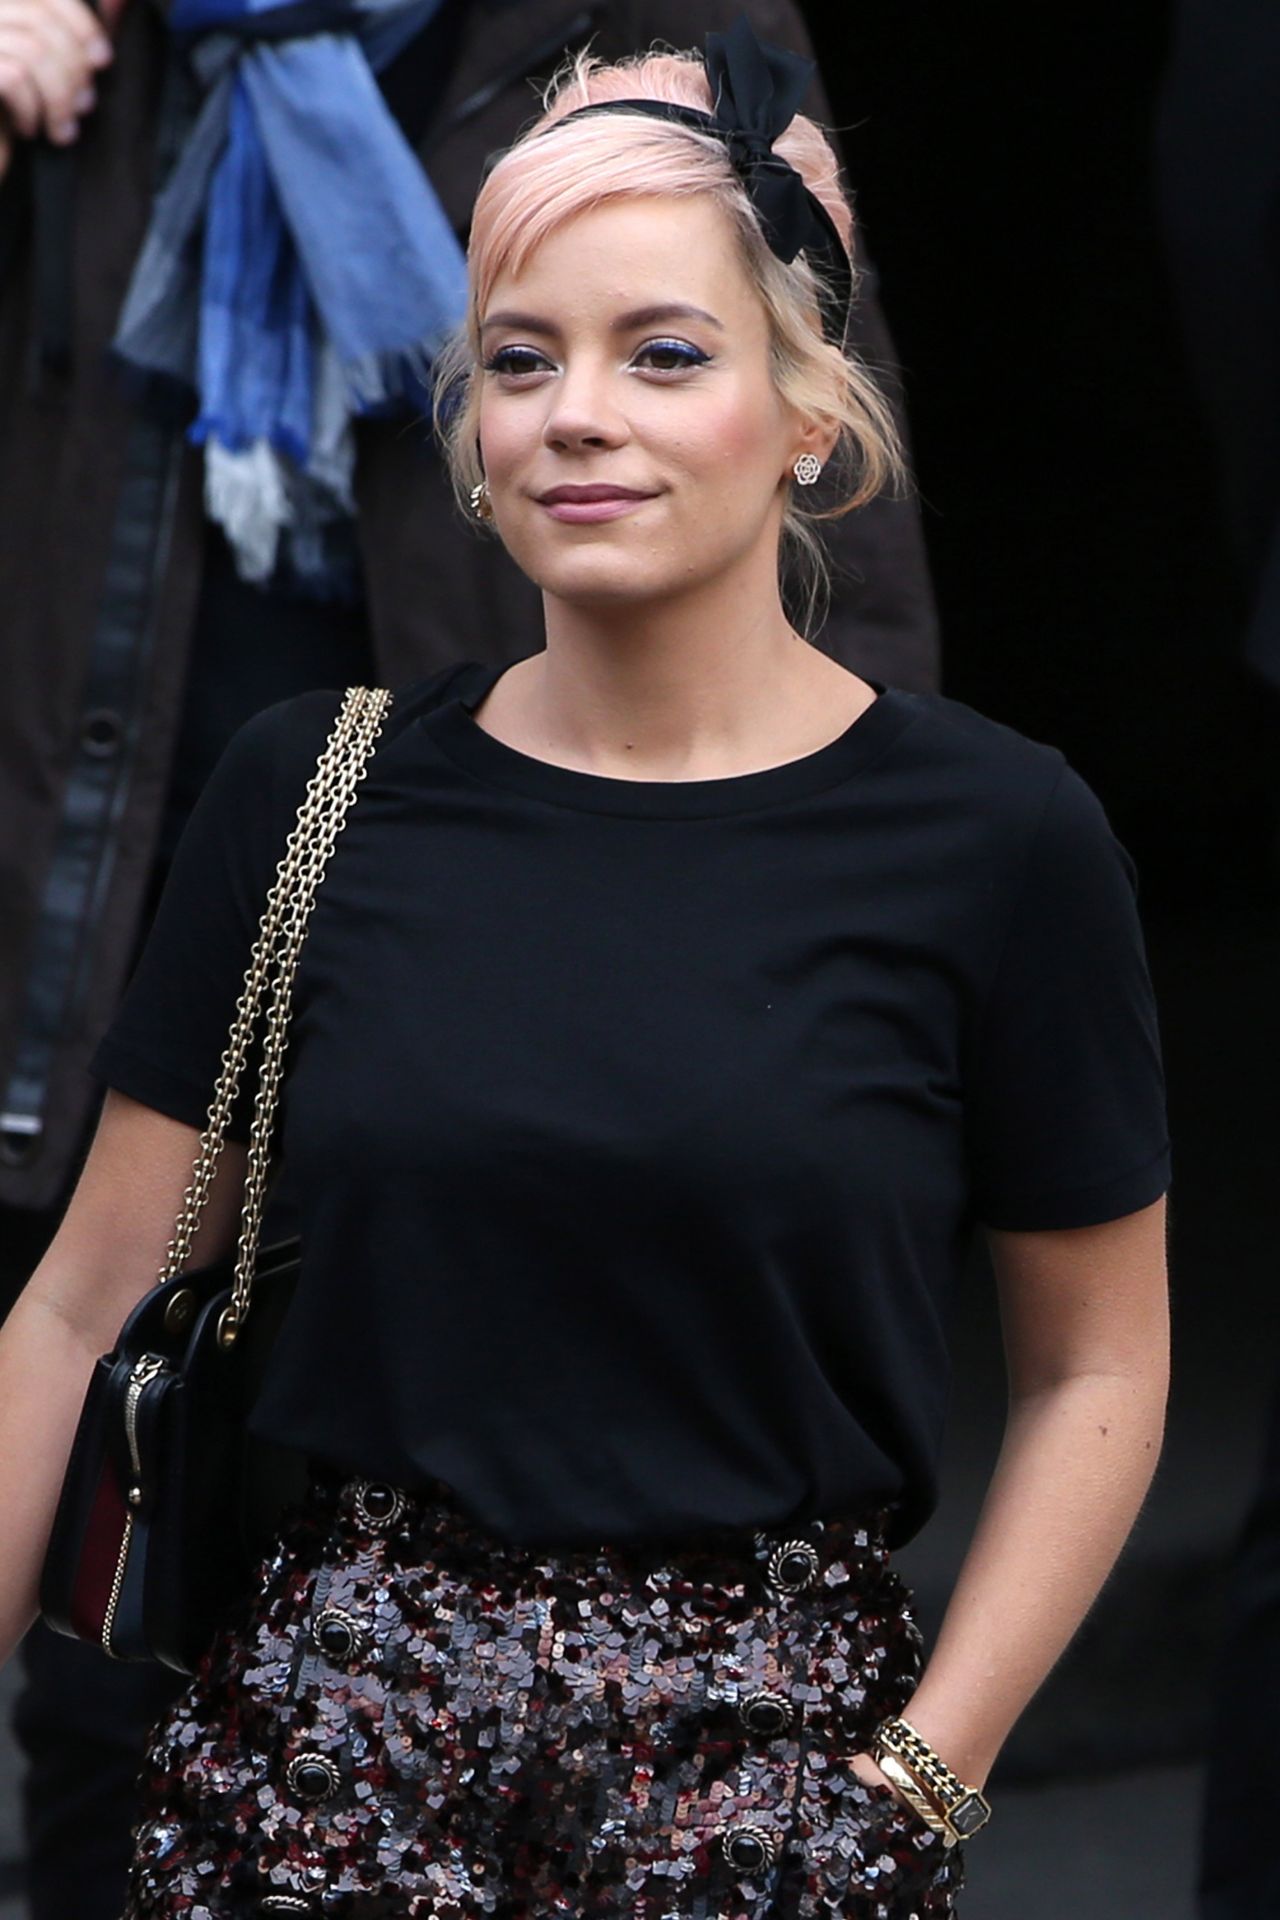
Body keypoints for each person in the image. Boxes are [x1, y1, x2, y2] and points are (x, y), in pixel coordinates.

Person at [0, 18, 1171, 1919]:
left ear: (811, 410)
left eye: (667, 354)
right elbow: (78, 1312)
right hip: (311, 1789)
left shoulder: (996, 840)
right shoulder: (311, 791)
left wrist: (917, 1784)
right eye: (521, 358)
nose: (578, 414)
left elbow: (1099, 1363)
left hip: (768, 1802)